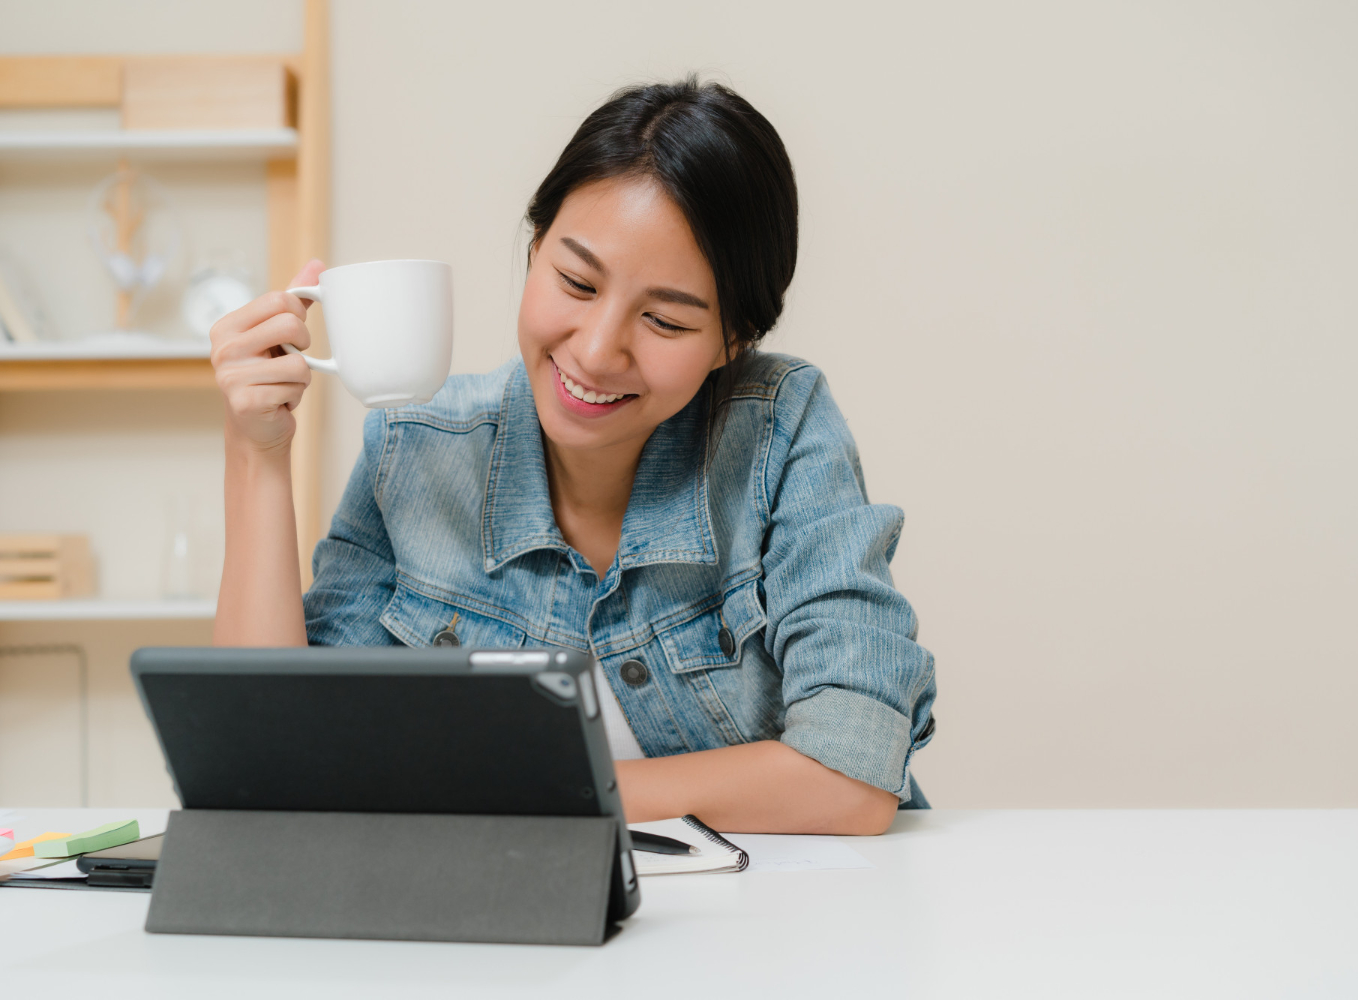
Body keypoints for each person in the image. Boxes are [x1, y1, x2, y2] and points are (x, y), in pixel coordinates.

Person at [210, 78, 935, 835]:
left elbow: (851, 780)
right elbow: (273, 767)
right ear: (534, 249)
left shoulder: (778, 430)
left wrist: (530, 792)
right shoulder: (417, 447)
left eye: (663, 320)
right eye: (576, 282)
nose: (595, 351)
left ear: (733, 341)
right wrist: (255, 454)